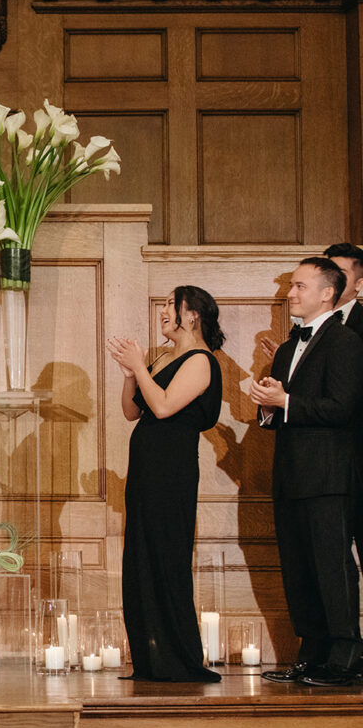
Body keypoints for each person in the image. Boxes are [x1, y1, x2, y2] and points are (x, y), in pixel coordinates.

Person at [251, 257, 363, 687]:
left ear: (327, 293)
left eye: (299, 286)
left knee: (332, 567)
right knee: (299, 567)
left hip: (330, 476)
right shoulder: (285, 348)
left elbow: (343, 409)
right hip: (291, 474)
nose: (290, 293)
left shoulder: (346, 341)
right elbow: (281, 414)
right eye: (291, 286)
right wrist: (268, 407)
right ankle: (312, 655)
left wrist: (286, 403)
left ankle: (345, 657)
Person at [106, 285, 224, 682]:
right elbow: (132, 411)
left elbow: (164, 406)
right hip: (145, 471)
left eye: (171, 306)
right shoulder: (164, 358)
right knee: (141, 558)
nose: (163, 313)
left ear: (191, 316)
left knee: (166, 558)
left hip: (170, 473)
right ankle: (151, 660)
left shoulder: (200, 361)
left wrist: (140, 367)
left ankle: (179, 660)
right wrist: (129, 375)